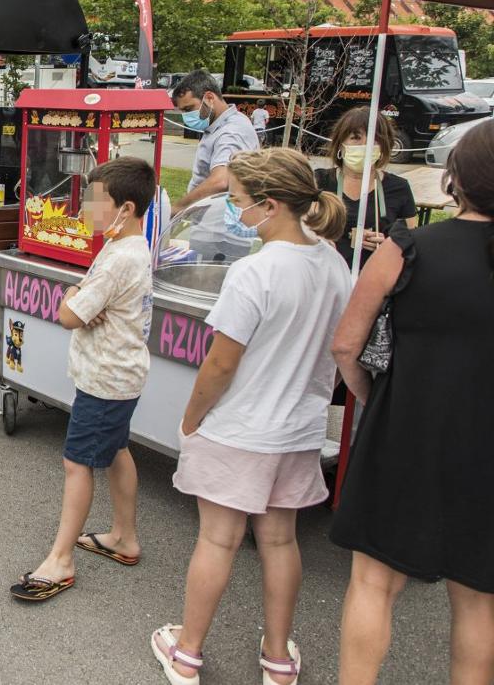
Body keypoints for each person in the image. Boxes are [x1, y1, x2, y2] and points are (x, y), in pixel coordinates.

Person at [150, 148, 350, 685]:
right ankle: (278, 657)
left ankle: (187, 651)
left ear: (269, 204)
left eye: (238, 202)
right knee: (279, 540)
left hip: (239, 427)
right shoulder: (333, 261)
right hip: (298, 428)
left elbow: (221, 363)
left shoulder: (253, 271)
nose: (235, 212)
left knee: (218, 539)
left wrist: (191, 419)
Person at [329, 120, 494, 685]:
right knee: (478, 599)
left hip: (406, 430)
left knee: (374, 581)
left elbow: (347, 345)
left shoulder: (408, 247)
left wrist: (377, 397)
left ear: (457, 180)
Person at [9, 158, 156, 603]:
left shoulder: (118, 259)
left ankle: (60, 560)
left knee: (78, 463)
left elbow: (69, 314)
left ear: (125, 208)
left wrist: (71, 293)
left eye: (96, 200)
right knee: (115, 450)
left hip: (106, 380)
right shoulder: (129, 248)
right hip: (120, 375)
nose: (86, 207)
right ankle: (124, 537)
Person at [314, 106, 417, 267]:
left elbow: (411, 242)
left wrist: (389, 245)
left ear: (384, 146)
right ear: (340, 144)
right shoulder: (319, 181)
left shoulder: (399, 188)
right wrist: (318, 240)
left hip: (375, 279)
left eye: (374, 139)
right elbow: (295, 231)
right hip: (324, 276)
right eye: (356, 138)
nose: (365, 145)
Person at [172, 70, 260, 209]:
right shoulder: (217, 126)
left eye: (189, 109)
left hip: (218, 225)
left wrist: (177, 208)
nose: (186, 116)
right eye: (183, 111)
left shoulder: (232, 131)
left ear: (209, 98)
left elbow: (220, 180)